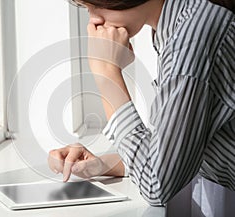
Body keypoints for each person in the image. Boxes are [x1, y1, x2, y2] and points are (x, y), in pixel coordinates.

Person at [48, 0, 235, 205]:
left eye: (97, 4)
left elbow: (157, 185)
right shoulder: (183, 23)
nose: (94, 19)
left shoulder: (192, 40)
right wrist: (102, 165)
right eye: (86, 7)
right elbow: (171, 152)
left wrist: (106, 73)